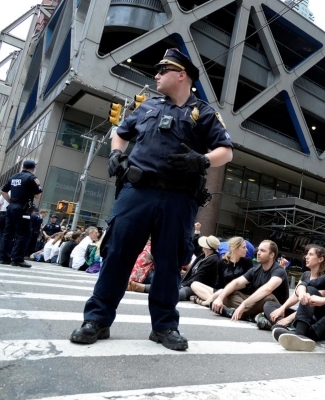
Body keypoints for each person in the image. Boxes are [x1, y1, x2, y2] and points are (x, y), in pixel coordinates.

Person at [69, 48, 233, 351]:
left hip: (178, 198)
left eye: (162, 70)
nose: (156, 75)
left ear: (181, 75)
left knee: (169, 264)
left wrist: (202, 160)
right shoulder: (147, 106)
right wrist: (116, 154)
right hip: (137, 192)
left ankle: (164, 326)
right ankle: (97, 320)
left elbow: (226, 151)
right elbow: (121, 132)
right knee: (117, 255)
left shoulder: (204, 112)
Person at [257, 244, 325, 331]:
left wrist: (288, 319)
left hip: (313, 317)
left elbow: (311, 305)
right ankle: (280, 324)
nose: (306, 257)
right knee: (269, 304)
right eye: (307, 254)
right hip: (299, 313)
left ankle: (275, 323)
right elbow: (295, 296)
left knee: (304, 317)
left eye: (311, 254)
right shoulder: (305, 275)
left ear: (320, 259)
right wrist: (282, 308)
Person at [211, 240, 289, 321]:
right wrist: (220, 298)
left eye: (262, 251)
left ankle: (238, 312)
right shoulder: (256, 269)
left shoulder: (279, 270)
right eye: (258, 250)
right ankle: (252, 315)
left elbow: (267, 289)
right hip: (255, 303)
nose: (258, 253)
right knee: (229, 293)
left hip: (273, 306)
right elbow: (236, 282)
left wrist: (244, 304)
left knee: (269, 297)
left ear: (271, 255)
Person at [0, 160, 43, 268]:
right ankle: (17, 259)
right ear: (33, 168)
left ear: (23, 167)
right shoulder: (32, 178)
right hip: (23, 209)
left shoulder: (14, 177)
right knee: (23, 234)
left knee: (8, 233)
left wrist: (11, 202)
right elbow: (37, 196)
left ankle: (3, 258)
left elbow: (3, 191)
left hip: (11, 207)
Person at [191, 236, 254, 307]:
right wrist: (218, 292)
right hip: (221, 291)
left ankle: (207, 302)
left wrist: (225, 291)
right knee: (194, 284)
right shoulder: (222, 262)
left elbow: (245, 284)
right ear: (235, 248)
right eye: (244, 247)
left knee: (221, 292)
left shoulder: (247, 262)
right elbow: (219, 283)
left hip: (237, 294)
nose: (246, 250)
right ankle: (214, 302)